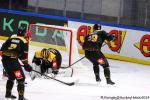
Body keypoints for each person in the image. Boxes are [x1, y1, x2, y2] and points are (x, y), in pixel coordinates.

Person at [0, 26, 32, 100]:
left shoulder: (12, 36)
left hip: (5, 61)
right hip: (14, 64)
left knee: (11, 77)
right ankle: (21, 98)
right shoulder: (24, 41)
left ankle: (8, 94)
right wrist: (27, 66)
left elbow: (2, 50)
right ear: (25, 33)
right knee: (21, 79)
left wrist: (9, 57)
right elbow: (23, 57)